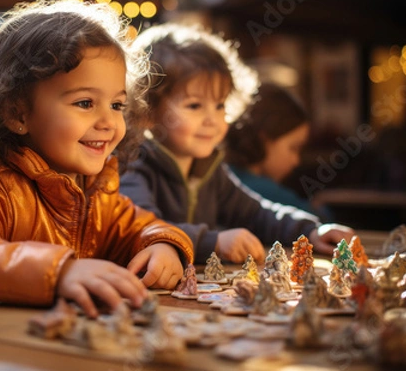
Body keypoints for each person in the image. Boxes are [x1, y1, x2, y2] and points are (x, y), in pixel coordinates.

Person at [0, 0, 193, 318]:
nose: (108, 122)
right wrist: (59, 273)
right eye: (85, 103)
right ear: (17, 112)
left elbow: (142, 227)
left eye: (116, 105)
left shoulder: (96, 193)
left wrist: (163, 245)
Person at [119, 23, 353, 265]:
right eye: (194, 106)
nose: (212, 119)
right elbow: (144, 228)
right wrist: (215, 242)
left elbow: (257, 213)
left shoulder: (210, 168)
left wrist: (310, 231)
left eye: (220, 105)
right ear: (146, 111)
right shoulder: (135, 164)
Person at [225, 82, 331, 220]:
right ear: (265, 140)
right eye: (294, 148)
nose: (296, 161)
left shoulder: (226, 176)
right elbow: (320, 219)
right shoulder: (259, 190)